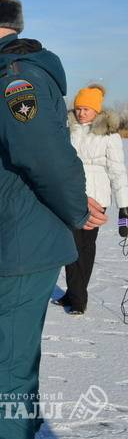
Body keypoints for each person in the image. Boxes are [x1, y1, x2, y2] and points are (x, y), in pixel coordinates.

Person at [0, 0, 107, 439]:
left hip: (11, 248)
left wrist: (76, 208)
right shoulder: (2, 77)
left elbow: (47, 158)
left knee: (3, 374)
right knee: (13, 364)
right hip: (9, 242)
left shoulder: (14, 83)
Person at [52, 84, 128, 314]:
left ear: (97, 110)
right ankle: (72, 292)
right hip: (71, 194)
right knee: (68, 244)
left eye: (86, 108)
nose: (81, 113)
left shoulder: (109, 135)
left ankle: (79, 298)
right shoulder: (69, 130)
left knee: (83, 246)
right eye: (78, 108)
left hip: (96, 196)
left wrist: (124, 207)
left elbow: (118, 171)